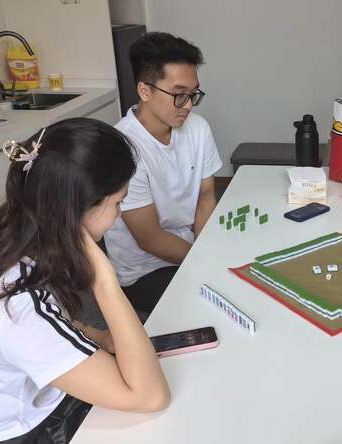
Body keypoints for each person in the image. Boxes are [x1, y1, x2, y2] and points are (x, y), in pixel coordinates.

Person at [0, 118, 170, 444]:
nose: (119, 214)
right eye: (118, 202)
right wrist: (105, 283)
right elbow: (151, 396)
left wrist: (97, 335)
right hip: (15, 431)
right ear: (75, 211)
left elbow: (49, 319)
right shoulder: (16, 304)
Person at [104, 32, 223, 319]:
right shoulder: (124, 147)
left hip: (189, 249)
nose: (188, 105)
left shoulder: (198, 128)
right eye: (179, 94)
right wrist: (206, 261)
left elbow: (206, 197)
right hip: (144, 270)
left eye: (193, 94)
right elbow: (150, 238)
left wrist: (206, 251)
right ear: (145, 91)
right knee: (216, 309)